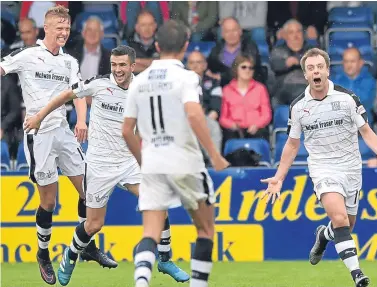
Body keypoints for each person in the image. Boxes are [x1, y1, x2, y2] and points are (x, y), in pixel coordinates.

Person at [23, 45, 190, 286]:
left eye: (122, 65)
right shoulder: (99, 84)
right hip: (99, 166)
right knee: (93, 225)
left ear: (133, 66)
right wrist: (39, 116)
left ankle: (164, 259)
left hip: (129, 162)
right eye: (114, 65)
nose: (117, 69)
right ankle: (70, 255)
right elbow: (64, 96)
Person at [261, 48, 377, 287]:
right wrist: (279, 177)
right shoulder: (298, 107)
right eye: (310, 68)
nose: (316, 71)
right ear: (305, 74)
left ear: (327, 70)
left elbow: (365, 131)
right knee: (339, 217)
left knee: (345, 224)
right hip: (323, 168)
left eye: (319, 67)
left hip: (351, 168)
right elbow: (292, 145)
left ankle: (323, 235)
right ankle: (358, 275)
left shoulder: (347, 98)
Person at [0, 6, 115, 285]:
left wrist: (82, 120)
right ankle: (43, 254)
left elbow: (77, 93)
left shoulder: (69, 62)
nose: (64, 32)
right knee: (48, 201)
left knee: (89, 191)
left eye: (67, 28)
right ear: (46, 28)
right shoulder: (28, 55)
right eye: (59, 28)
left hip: (63, 131)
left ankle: (85, 244)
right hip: (38, 134)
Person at [122, 20, 229, 287]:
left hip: (153, 163)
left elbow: (126, 131)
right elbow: (193, 114)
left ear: (157, 46)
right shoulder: (187, 77)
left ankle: (141, 282)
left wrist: (144, 162)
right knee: (204, 229)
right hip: (185, 160)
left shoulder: (139, 81)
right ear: (184, 46)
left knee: (151, 232)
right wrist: (214, 154)